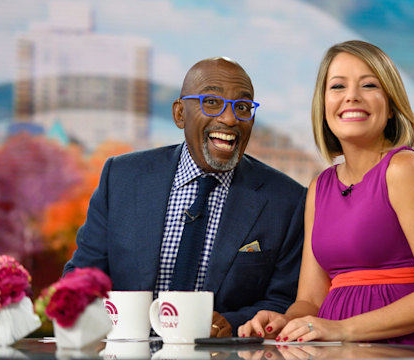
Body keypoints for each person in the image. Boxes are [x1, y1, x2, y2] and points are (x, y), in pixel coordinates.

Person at [238, 40, 414, 347]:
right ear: (323, 106)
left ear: (390, 106)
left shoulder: (404, 168)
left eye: (369, 85)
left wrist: (344, 329)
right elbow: (309, 299)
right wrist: (286, 321)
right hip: (334, 349)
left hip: (411, 348)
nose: (352, 97)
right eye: (337, 87)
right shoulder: (319, 188)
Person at [64, 56, 306, 337]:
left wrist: (232, 323)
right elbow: (82, 278)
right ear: (180, 114)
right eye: (212, 102)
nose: (229, 119)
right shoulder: (121, 178)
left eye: (242, 107)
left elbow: (281, 301)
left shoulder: (286, 200)